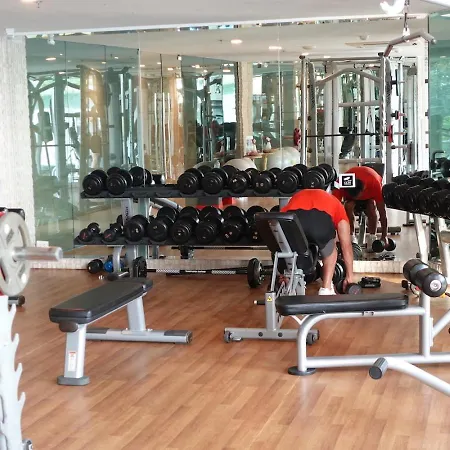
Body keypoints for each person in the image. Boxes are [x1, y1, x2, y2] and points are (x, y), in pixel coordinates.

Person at [281, 189, 354, 295]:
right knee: (332, 251)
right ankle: (326, 289)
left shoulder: (296, 197)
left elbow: (279, 224)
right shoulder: (338, 206)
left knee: (289, 247)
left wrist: (281, 271)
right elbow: (346, 246)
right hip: (319, 222)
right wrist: (349, 276)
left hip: (293, 218)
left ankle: (288, 282)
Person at [332, 166, 388, 250]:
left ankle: (372, 237)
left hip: (369, 196)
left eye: (357, 196)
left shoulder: (375, 184)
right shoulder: (340, 182)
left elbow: (382, 213)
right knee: (348, 206)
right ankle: (351, 236)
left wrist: (384, 236)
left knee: (371, 208)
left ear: (363, 190)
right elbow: (333, 211)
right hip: (349, 199)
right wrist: (332, 240)